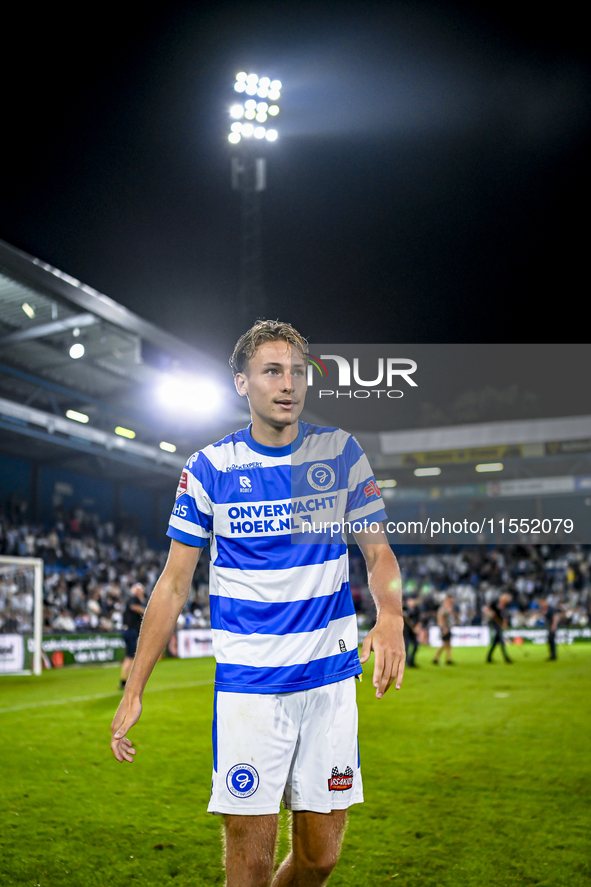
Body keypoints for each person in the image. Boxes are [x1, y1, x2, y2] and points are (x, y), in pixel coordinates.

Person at [110, 320, 406, 887]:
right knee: (248, 868)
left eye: (297, 371)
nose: (288, 383)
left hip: (329, 680)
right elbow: (173, 584)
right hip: (250, 688)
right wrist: (136, 688)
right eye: (272, 371)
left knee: (320, 857)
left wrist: (390, 615)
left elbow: (379, 552)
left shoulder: (339, 454)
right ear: (242, 383)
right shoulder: (209, 469)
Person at [119, 582, 146, 689]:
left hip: (127, 630)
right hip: (131, 631)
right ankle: (127, 681)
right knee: (131, 657)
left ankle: (124, 680)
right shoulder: (133, 598)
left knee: (129, 656)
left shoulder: (130, 599)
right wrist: (146, 612)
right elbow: (134, 606)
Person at [485, 591, 513, 664]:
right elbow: (486, 608)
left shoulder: (505, 606)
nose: (507, 601)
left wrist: (504, 624)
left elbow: (504, 617)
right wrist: (490, 612)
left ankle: (489, 658)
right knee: (501, 639)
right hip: (493, 622)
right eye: (506, 599)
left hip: (499, 623)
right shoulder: (495, 602)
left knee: (495, 641)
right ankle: (506, 658)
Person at [432, 593, 455, 665]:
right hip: (444, 628)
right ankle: (436, 658)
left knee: (448, 644)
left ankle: (448, 659)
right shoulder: (443, 608)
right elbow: (440, 618)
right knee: (445, 644)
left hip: (448, 627)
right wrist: (443, 628)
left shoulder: (449, 608)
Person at [403, 596, 420, 667]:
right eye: (410, 601)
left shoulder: (417, 609)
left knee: (416, 645)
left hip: (413, 632)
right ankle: (406, 662)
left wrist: (417, 628)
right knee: (406, 647)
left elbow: (419, 620)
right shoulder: (404, 609)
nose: (412, 602)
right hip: (406, 631)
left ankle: (411, 661)